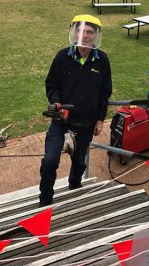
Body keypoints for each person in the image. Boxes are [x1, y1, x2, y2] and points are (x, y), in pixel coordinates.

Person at [39, 14, 112, 207]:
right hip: (61, 121)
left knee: (79, 161)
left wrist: (100, 119)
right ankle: (45, 201)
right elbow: (51, 84)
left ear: (96, 35)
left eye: (90, 32)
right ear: (75, 32)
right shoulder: (62, 57)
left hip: (86, 124)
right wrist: (56, 103)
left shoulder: (102, 60)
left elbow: (105, 92)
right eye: (81, 31)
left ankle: (75, 186)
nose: (85, 35)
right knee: (49, 162)